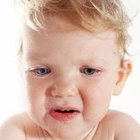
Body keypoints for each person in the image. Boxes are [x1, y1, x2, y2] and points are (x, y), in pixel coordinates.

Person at [0, 0, 140, 139]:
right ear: (22, 74)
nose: (63, 89)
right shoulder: (17, 131)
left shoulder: (121, 130)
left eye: (89, 71)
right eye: (41, 70)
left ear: (118, 79)